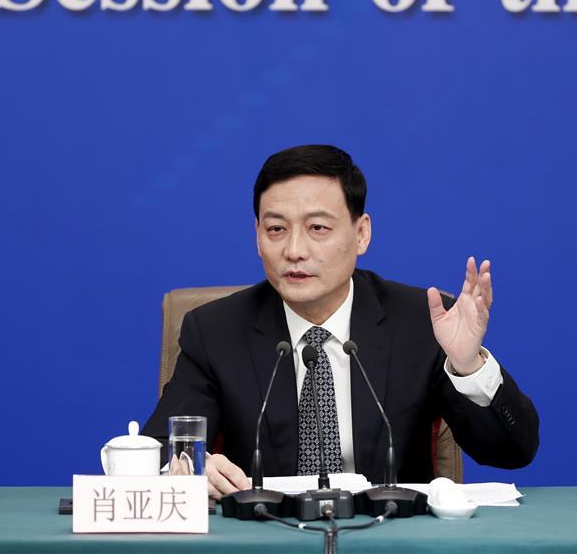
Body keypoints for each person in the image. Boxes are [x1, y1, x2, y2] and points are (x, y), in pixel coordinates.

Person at [143, 145, 539, 500]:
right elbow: (160, 449)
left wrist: (468, 366)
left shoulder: (422, 323)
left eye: (317, 228)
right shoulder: (215, 331)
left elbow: (512, 452)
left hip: (391, 538)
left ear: (361, 234)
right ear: (257, 236)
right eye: (276, 229)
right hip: (266, 536)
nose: (295, 250)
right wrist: (189, 468)